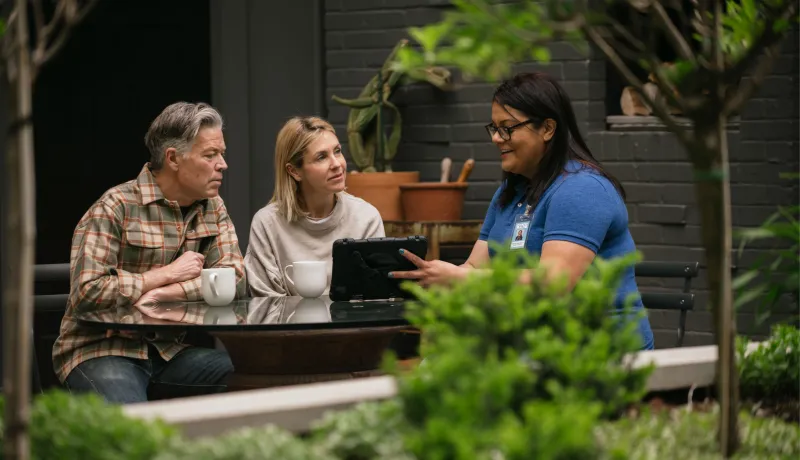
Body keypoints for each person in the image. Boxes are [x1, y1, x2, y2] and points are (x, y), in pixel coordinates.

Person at [389, 72, 654, 350]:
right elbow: (475, 268)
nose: (496, 138)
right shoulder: (511, 191)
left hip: (602, 353)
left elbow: (553, 284)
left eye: (507, 128)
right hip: (534, 349)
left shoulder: (582, 189)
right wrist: (430, 278)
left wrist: (459, 278)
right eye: (494, 128)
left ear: (547, 129)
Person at [52, 102, 248, 404]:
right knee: (132, 423)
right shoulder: (115, 206)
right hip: (100, 350)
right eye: (210, 155)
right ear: (173, 158)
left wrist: (167, 293)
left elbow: (234, 279)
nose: (222, 164)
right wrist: (163, 275)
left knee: (254, 378)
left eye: (221, 154)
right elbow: (87, 292)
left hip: (169, 352)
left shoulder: (213, 207)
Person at [245, 116, 384, 297]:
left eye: (337, 151)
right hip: (288, 318)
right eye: (321, 157)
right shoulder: (267, 224)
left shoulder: (366, 218)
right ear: (294, 171)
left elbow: (374, 298)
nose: (337, 164)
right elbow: (266, 303)